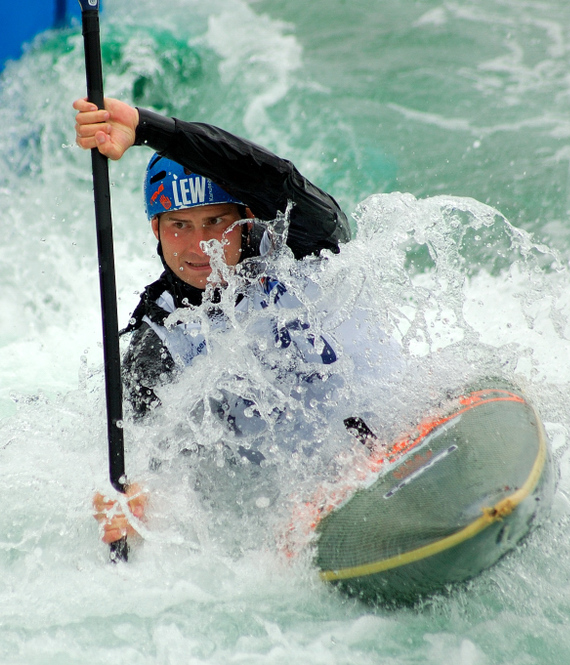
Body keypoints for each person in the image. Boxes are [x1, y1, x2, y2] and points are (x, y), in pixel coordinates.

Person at [74, 97, 381, 547]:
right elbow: (147, 454)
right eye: (179, 226)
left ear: (246, 216)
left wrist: (146, 128)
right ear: (155, 232)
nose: (199, 246)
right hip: (293, 500)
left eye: (215, 221)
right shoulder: (159, 339)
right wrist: (135, 508)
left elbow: (273, 177)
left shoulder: (300, 245)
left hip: (381, 433)